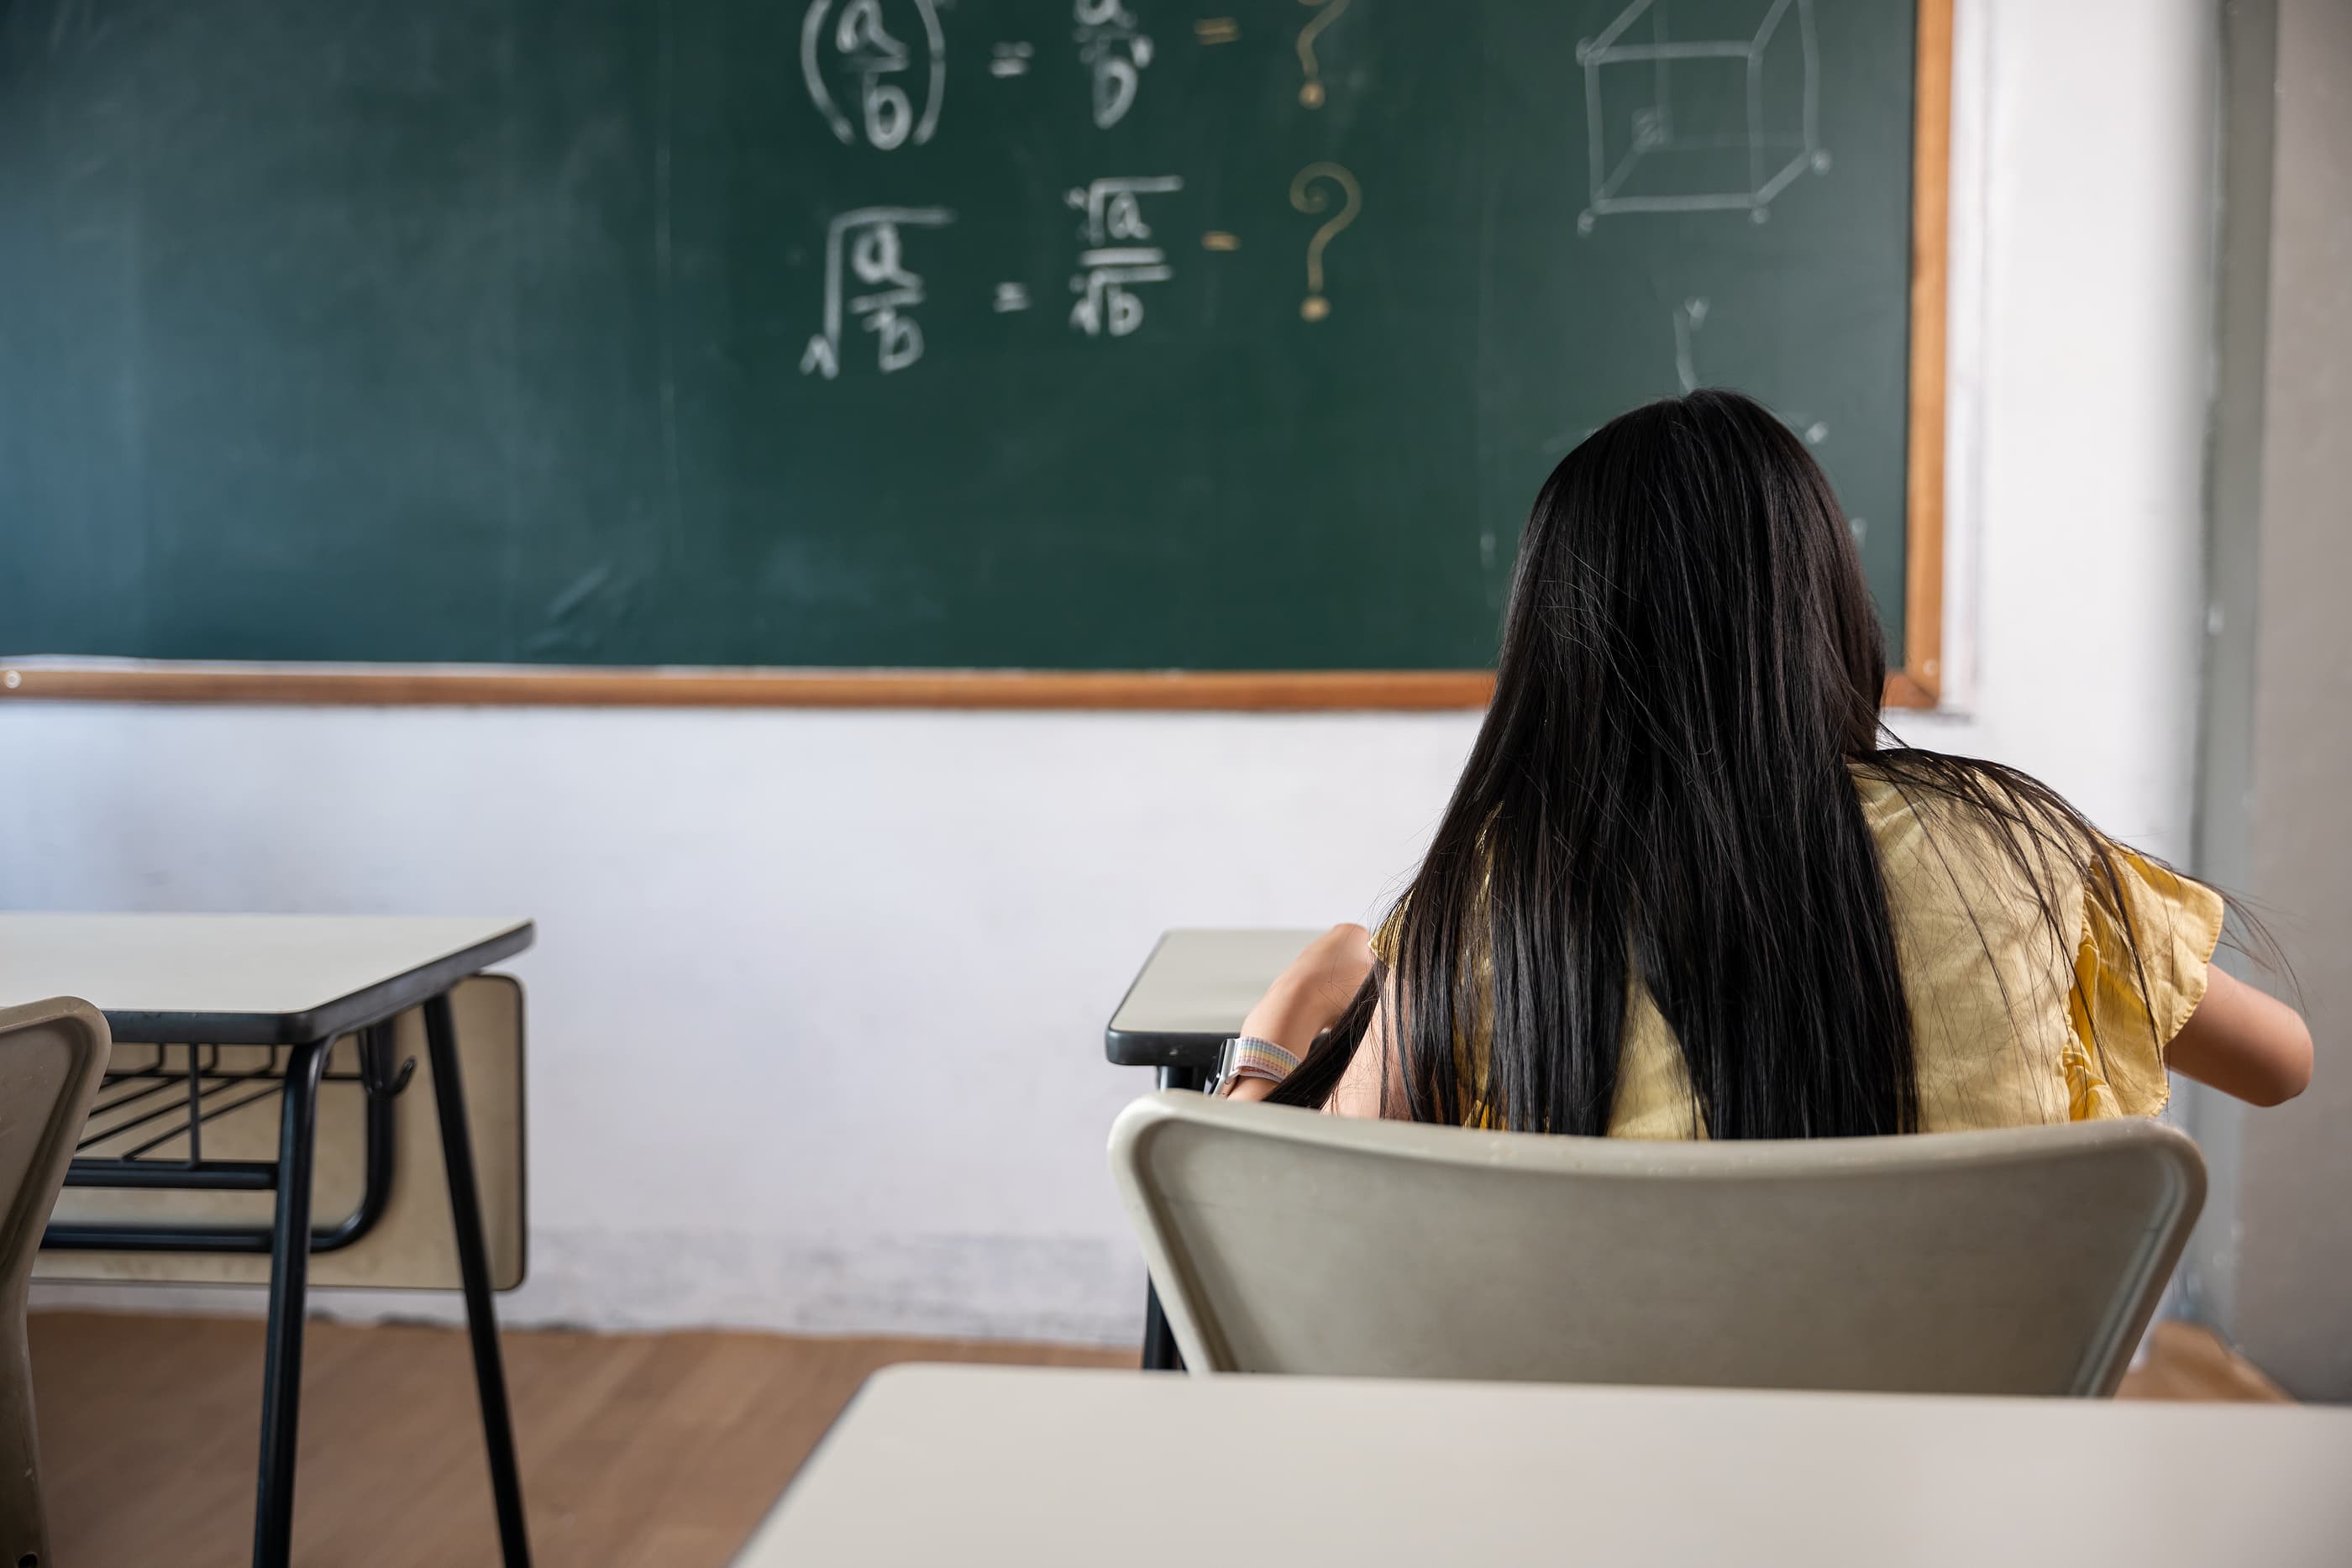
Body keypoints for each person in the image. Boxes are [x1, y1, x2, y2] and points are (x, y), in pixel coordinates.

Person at [1221, 391, 2310, 1135]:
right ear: (1822, 606)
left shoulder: (1488, 907)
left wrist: (1283, 1024)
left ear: (1552, 644)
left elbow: (1276, 1217)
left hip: (1590, 1459)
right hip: (1960, 1454)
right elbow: (2280, 1065)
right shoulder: (2021, 850)